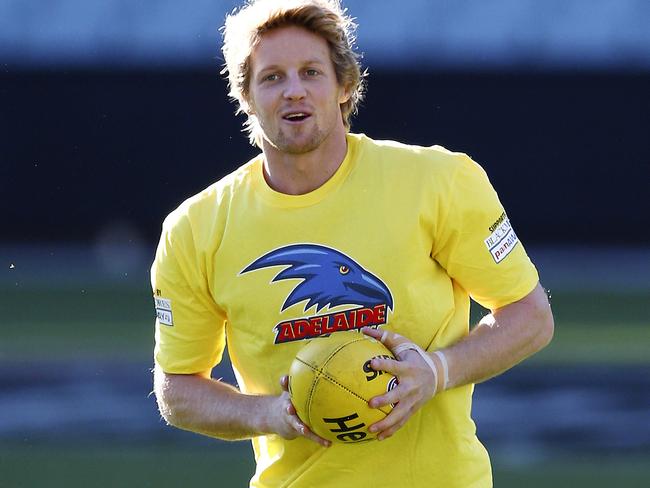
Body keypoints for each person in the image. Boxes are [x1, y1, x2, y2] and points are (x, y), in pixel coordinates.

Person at [151, 0, 554, 486]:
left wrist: (437, 370)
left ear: (345, 86)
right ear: (247, 97)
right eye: (272, 77)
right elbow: (176, 388)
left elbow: (530, 315)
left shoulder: (439, 181)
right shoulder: (195, 229)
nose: (293, 91)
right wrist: (269, 414)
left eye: (311, 72)